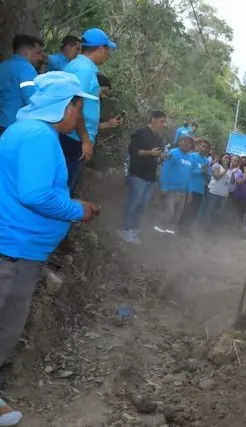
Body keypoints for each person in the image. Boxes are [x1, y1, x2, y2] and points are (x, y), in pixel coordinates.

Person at [0, 72, 99, 406]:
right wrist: (77, 209)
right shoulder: (39, 137)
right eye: (79, 108)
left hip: (16, 248)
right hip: (14, 253)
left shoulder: (24, 131)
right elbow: (36, 195)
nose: (80, 117)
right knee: (6, 328)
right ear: (66, 105)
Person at [60, 27, 118, 189]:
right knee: (64, 188)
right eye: (107, 49)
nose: (108, 54)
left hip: (72, 136)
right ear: (100, 49)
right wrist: (86, 141)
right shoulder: (84, 71)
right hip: (73, 139)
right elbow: (75, 106)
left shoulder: (78, 65)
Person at [119, 111, 167, 244]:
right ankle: (125, 230)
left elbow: (158, 155)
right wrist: (150, 153)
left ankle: (134, 231)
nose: (163, 124)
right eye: (161, 121)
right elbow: (133, 151)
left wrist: (161, 156)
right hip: (137, 174)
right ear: (153, 119)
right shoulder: (140, 133)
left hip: (150, 177)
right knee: (133, 203)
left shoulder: (158, 138)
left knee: (142, 205)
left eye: (164, 122)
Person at [0, 35, 44, 136]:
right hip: (14, 127)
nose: (40, 57)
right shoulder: (27, 69)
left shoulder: (2, 66)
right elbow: (32, 100)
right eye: (38, 53)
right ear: (28, 51)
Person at [155, 135, 194, 234]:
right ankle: (159, 230)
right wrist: (163, 186)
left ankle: (168, 234)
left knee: (177, 214)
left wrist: (189, 192)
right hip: (171, 190)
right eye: (184, 141)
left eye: (189, 142)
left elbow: (189, 176)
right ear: (179, 142)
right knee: (169, 211)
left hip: (183, 192)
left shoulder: (190, 158)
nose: (187, 143)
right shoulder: (173, 153)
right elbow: (165, 170)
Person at [178, 140, 210, 234]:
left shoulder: (207, 161)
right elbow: (188, 171)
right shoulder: (192, 156)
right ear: (199, 146)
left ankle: (187, 230)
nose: (204, 149)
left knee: (194, 211)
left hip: (200, 189)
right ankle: (179, 228)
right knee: (187, 209)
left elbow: (206, 175)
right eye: (202, 146)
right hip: (191, 187)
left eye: (206, 148)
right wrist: (201, 171)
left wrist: (206, 174)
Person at [203, 153, 232, 229]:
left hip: (223, 194)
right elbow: (216, 177)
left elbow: (231, 182)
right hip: (213, 192)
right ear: (221, 158)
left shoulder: (229, 170)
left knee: (218, 212)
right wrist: (225, 171)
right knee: (209, 210)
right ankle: (205, 227)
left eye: (228, 159)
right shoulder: (216, 165)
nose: (227, 160)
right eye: (225, 158)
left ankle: (212, 228)